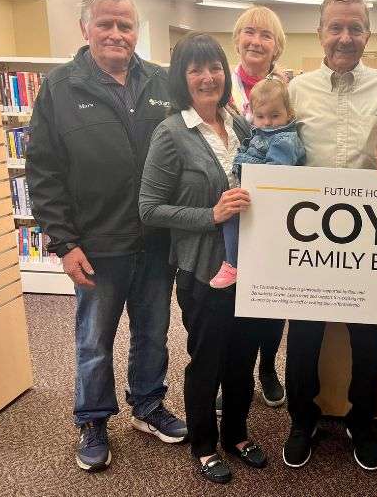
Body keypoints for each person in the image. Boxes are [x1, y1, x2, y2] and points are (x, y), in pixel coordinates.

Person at [25, 0, 187, 473]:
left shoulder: (162, 83)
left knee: (154, 333)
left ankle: (147, 404)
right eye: (106, 24)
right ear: (85, 29)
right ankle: (93, 419)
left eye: (125, 25)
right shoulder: (60, 87)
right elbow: (44, 171)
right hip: (96, 246)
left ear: (137, 31)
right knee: (94, 340)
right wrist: (64, 242)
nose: (117, 33)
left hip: (157, 242)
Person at [282, 0, 377, 472]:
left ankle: (360, 422)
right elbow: (269, 151)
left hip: (369, 246)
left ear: (368, 35)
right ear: (320, 34)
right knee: (303, 339)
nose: (345, 38)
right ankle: (301, 420)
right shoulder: (295, 90)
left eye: (355, 28)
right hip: (308, 244)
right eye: (336, 28)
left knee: (369, 341)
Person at [139, 32, 267, 485]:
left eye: (214, 67)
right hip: (204, 270)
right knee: (207, 360)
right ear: (182, 79)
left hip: (251, 270)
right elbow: (149, 208)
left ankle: (236, 433)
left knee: (242, 359)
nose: (208, 77)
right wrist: (211, 214)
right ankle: (204, 445)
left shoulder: (241, 125)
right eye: (196, 69)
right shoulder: (171, 133)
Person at [217, 6, 290, 411]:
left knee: (273, 300)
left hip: (278, 215)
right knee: (232, 304)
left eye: (266, 35)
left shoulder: (289, 88)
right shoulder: (219, 87)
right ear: (237, 39)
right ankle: (234, 377)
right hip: (231, 208)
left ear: (277, 45)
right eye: (249, 32)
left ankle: (267, 369)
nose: (256, 41)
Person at [210, 78, 306, 289]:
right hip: (257, 193)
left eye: (275, 115)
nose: (267, 122)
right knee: (232, 216)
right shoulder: (260, 134)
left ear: (288, 113)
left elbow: (275, 175)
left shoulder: (283, 139)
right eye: (260, 116)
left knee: (233, 216)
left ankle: (234, 263)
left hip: (270, 197)